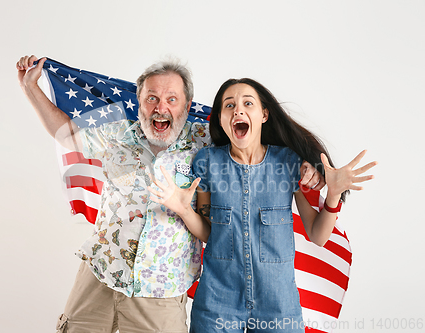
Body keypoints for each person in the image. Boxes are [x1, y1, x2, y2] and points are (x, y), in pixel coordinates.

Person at [17, 55, 323, 332]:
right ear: (139, 102)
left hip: (161, 290)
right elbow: (67, 134)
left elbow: (257, 142)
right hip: (100, 275)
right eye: (152, 98)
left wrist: (310, 167)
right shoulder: (117, 133)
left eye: (171, 99)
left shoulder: (206, 144)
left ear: (187, 107)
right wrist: (32, 89)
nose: (160, 107)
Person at [148, 78, 377, 332]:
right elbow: (209, 232)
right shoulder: (207, 163)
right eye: (229, 105)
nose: (238, 110)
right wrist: (184, 210)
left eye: (248, 103)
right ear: (222, 119)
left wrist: (333, 196)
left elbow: (318, 235)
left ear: (264, 114)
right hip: (217, 304)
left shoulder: (289, 163)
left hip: (278, 307)